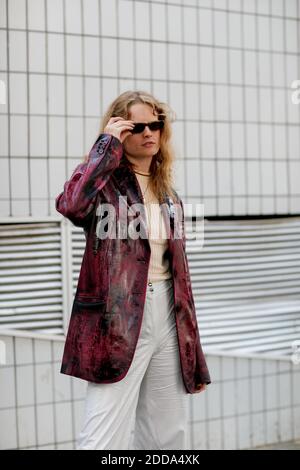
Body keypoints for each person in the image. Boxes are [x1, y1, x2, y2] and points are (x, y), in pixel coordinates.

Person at [55, 90, 211, 450]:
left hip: (168, 316)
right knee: (102, 434)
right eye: (136, 126)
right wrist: (104, 146)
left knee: (167, 434)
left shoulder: (167, 192)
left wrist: (194, 353)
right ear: (120, 132)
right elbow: (72, 205)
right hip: (118, 320)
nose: (148, 133)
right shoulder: (104, 185)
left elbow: (182, 279)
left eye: (155, 124)